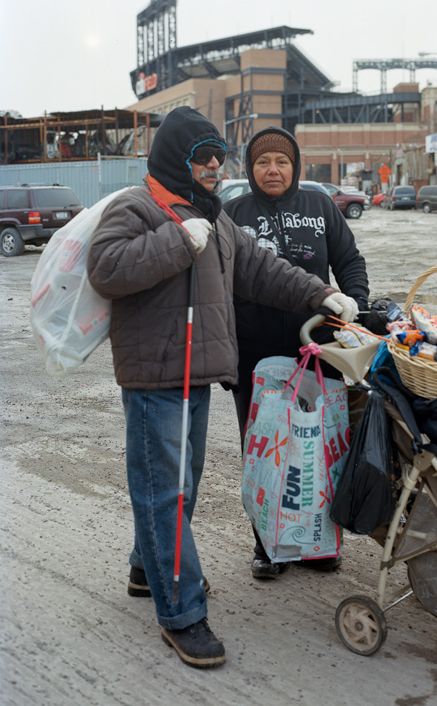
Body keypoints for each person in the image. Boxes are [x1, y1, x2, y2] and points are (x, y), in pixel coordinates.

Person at [86, 107, 357, 669]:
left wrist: (320, 295)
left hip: (198, 372)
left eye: (217, 156)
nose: (212, 166)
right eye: (200, 156)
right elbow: (106, 268)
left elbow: (261, 269)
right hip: (154, 376)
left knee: (178, 482)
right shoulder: (136, 207)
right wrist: (175, 243)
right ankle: (181, 614)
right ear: (173, 159)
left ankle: (146, 569)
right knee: (165, 490)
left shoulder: (213, 217)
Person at [222, 126, 370, 580]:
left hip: (318, 349)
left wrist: (354, 308)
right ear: (250, 168)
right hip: (256, 355)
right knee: (265, 449)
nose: (272, 170)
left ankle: (319, 543)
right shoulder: (232, 214)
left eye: (281, 162)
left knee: (323, 447)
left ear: (295, 166)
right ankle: (268, 544)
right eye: (263, 162)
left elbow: (348, 260)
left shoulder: (320, 205)